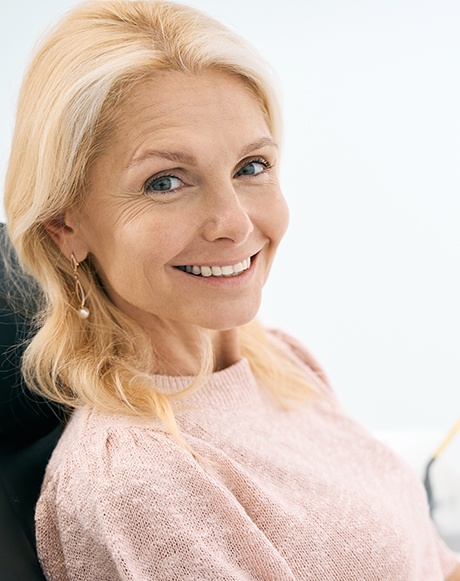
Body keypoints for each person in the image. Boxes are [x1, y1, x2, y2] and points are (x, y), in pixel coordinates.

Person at [3, 1, 459, 579]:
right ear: (65, 225)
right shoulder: (138, 481)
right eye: (166, 182)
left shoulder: (281, 362)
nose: (236, 223)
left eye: (251, 167)